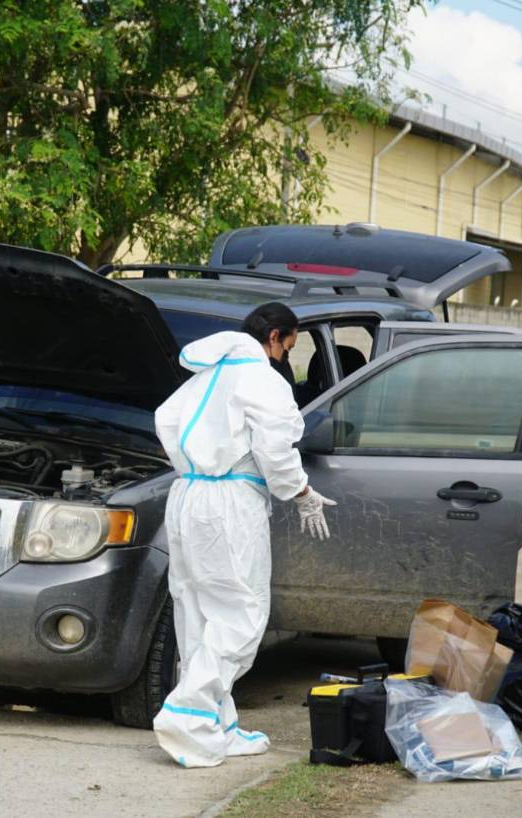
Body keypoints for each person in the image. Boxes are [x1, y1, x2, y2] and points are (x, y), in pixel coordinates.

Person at [152, 301, 338, 767]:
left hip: (189, 495)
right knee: (241, 614)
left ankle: (215, 728)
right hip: (230, 504)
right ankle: (187, 715)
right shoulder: (262, 380)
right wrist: (300, 492)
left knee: (197, 613)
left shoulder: (203, 378)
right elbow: (275, 448)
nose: (286, 358)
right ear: (274, 336)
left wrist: (197, 465)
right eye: (289, 345)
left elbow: (165, 419)